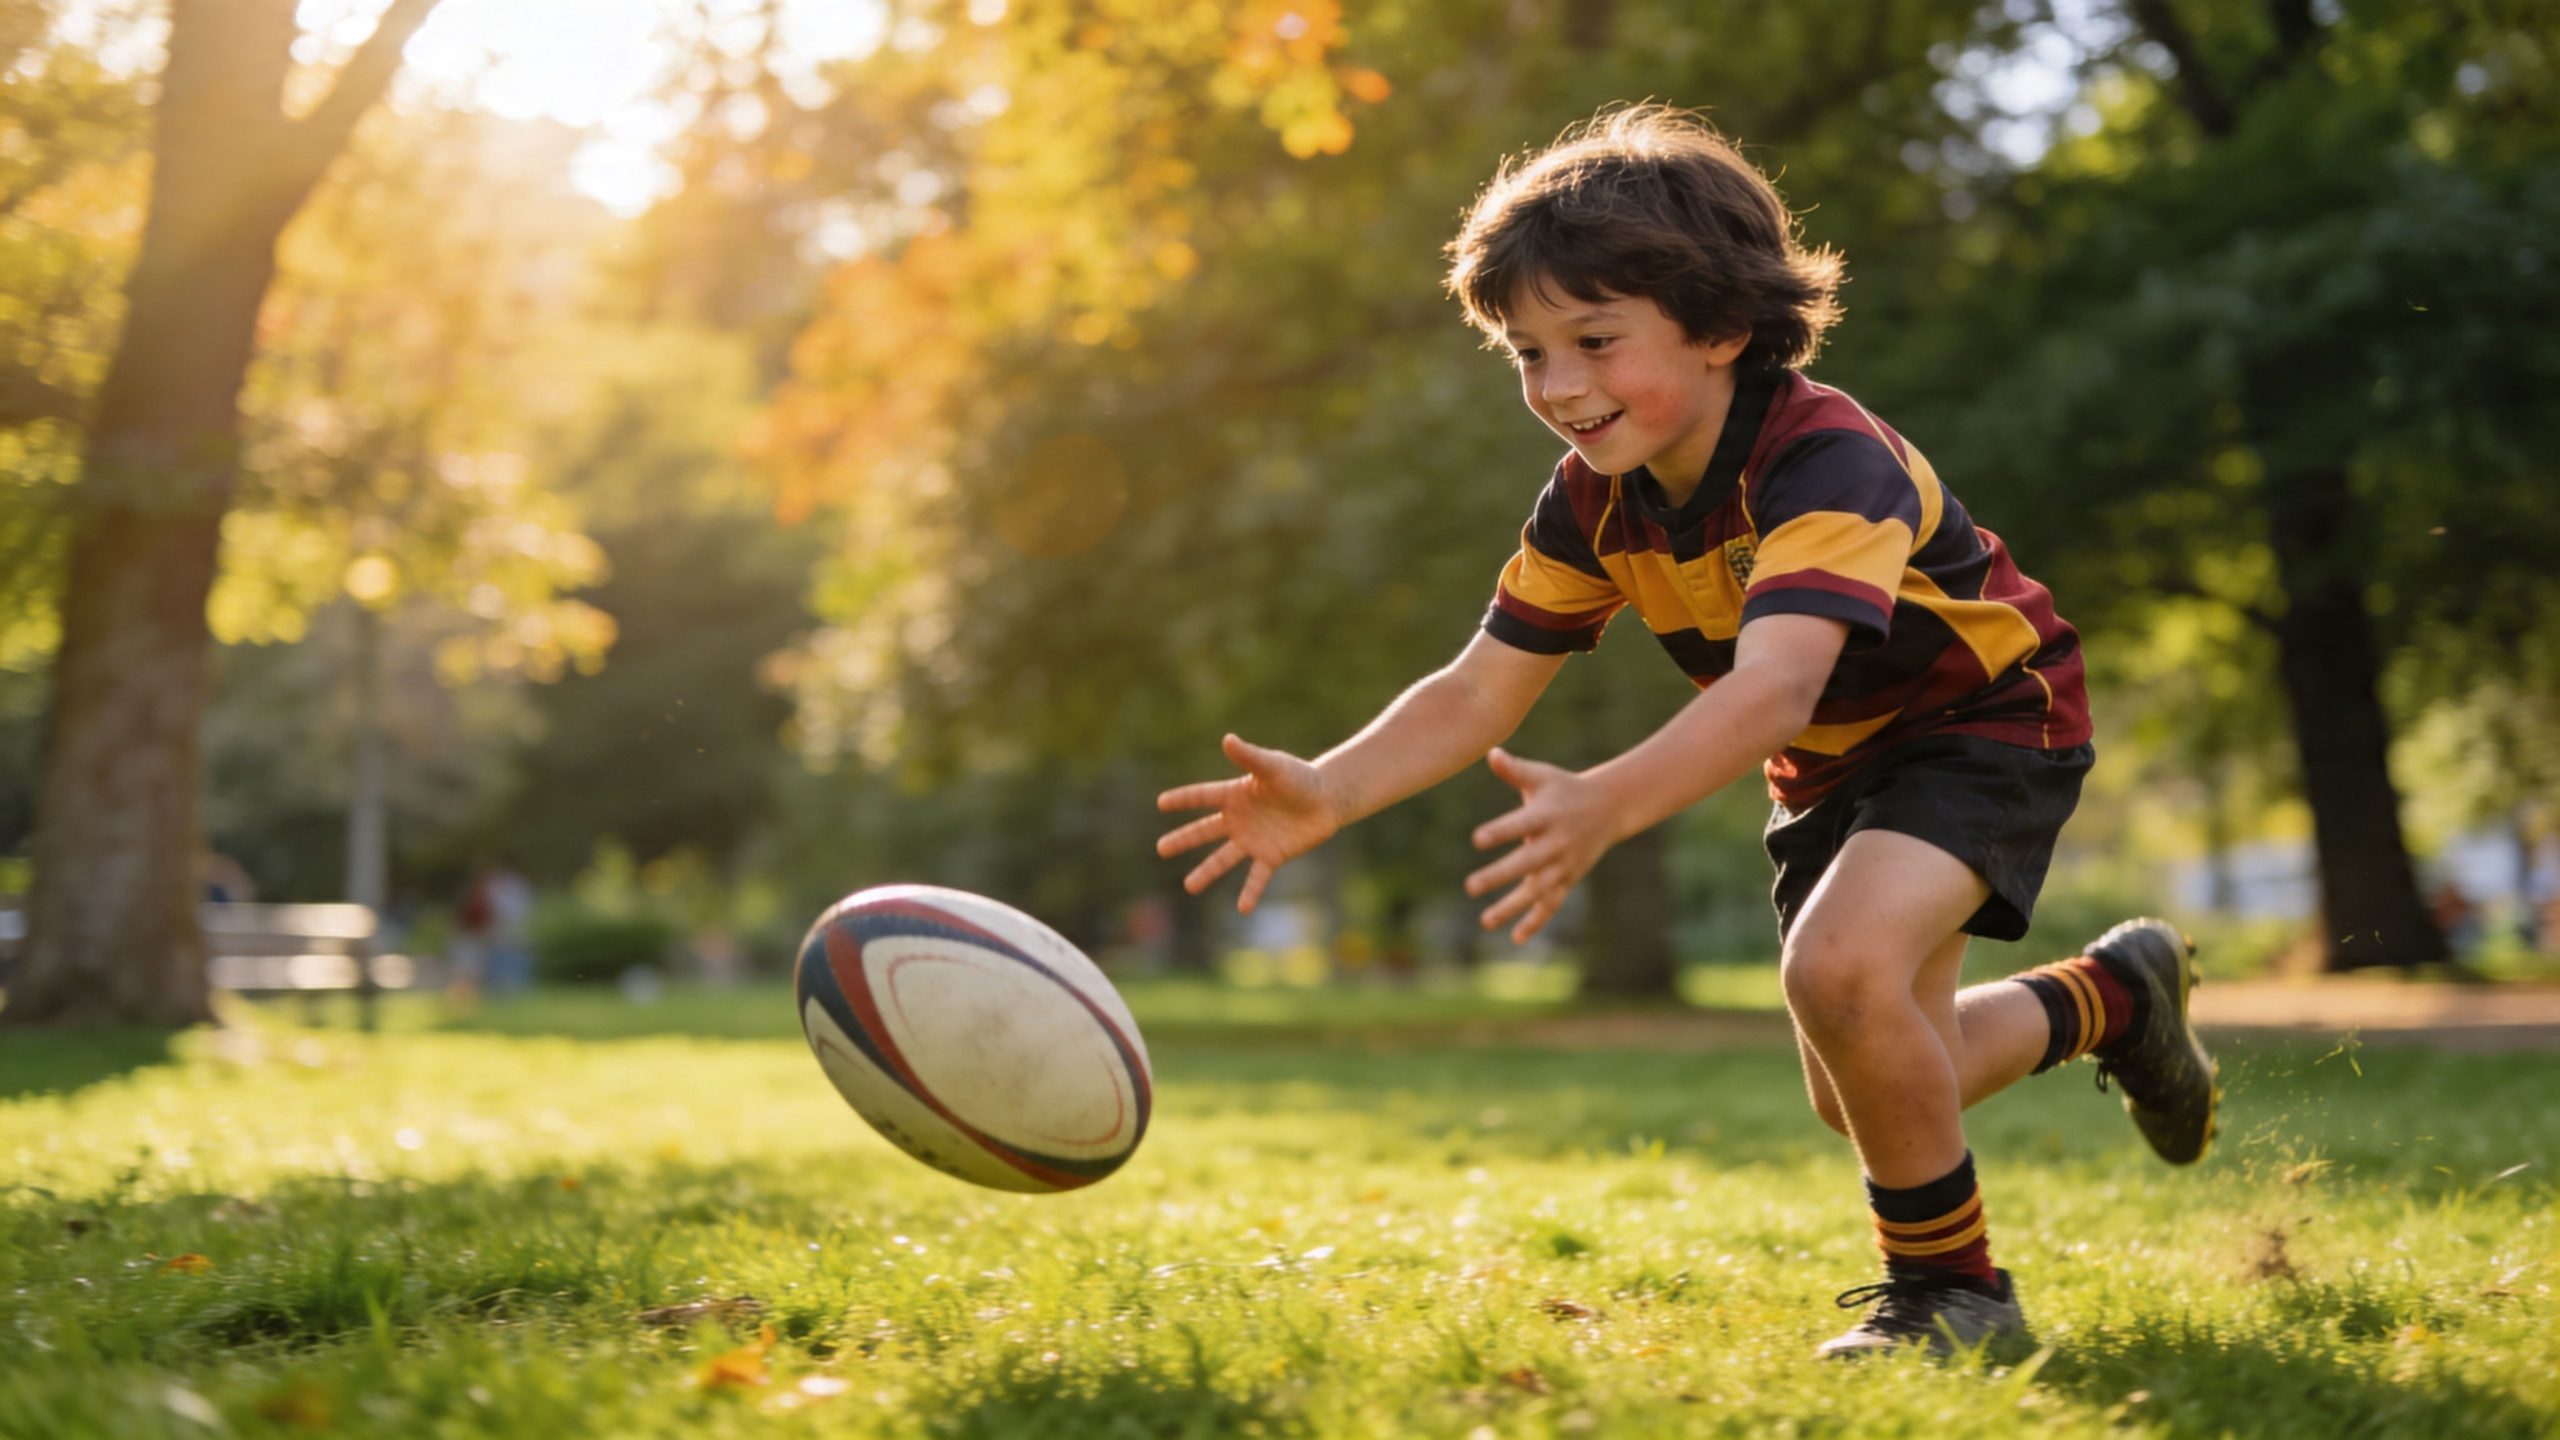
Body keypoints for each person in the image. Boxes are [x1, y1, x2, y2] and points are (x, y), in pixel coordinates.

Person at [1157, 105, 2218, 1360]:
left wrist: (1605, 802)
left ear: (1720, 327)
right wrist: (1329, 789)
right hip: (1835, 763)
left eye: (1593, 341)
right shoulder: (1594, 503)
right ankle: (2114, 997)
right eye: (1527, 353)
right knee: (1866, 1075)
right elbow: (1477, 689)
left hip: (1984, 717)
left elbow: (1772, 686)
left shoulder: (1825, 462)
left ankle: (1954, 1297)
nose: (1557, 387)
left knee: (1836, 974)